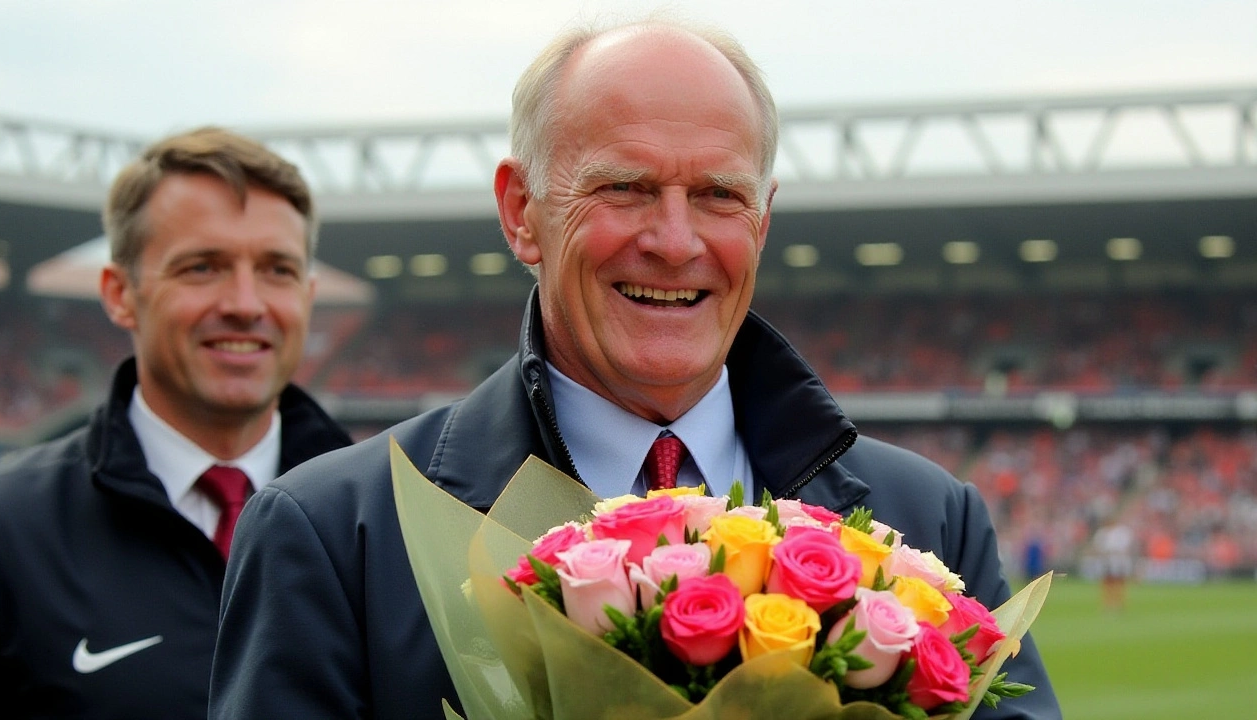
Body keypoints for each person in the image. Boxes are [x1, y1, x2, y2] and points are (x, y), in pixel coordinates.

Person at [210, 18, 1060, 720]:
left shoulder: (929, 523)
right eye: (624, 187)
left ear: (762, 222)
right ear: (521, 213)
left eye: (720, 196)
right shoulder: (332, 537)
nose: (676, 241)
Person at [0, 127, 352, 719]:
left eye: (277, 269)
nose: (246, 304)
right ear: (120, 293)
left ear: (306, 296)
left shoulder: (383, 515)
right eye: (203, 267)